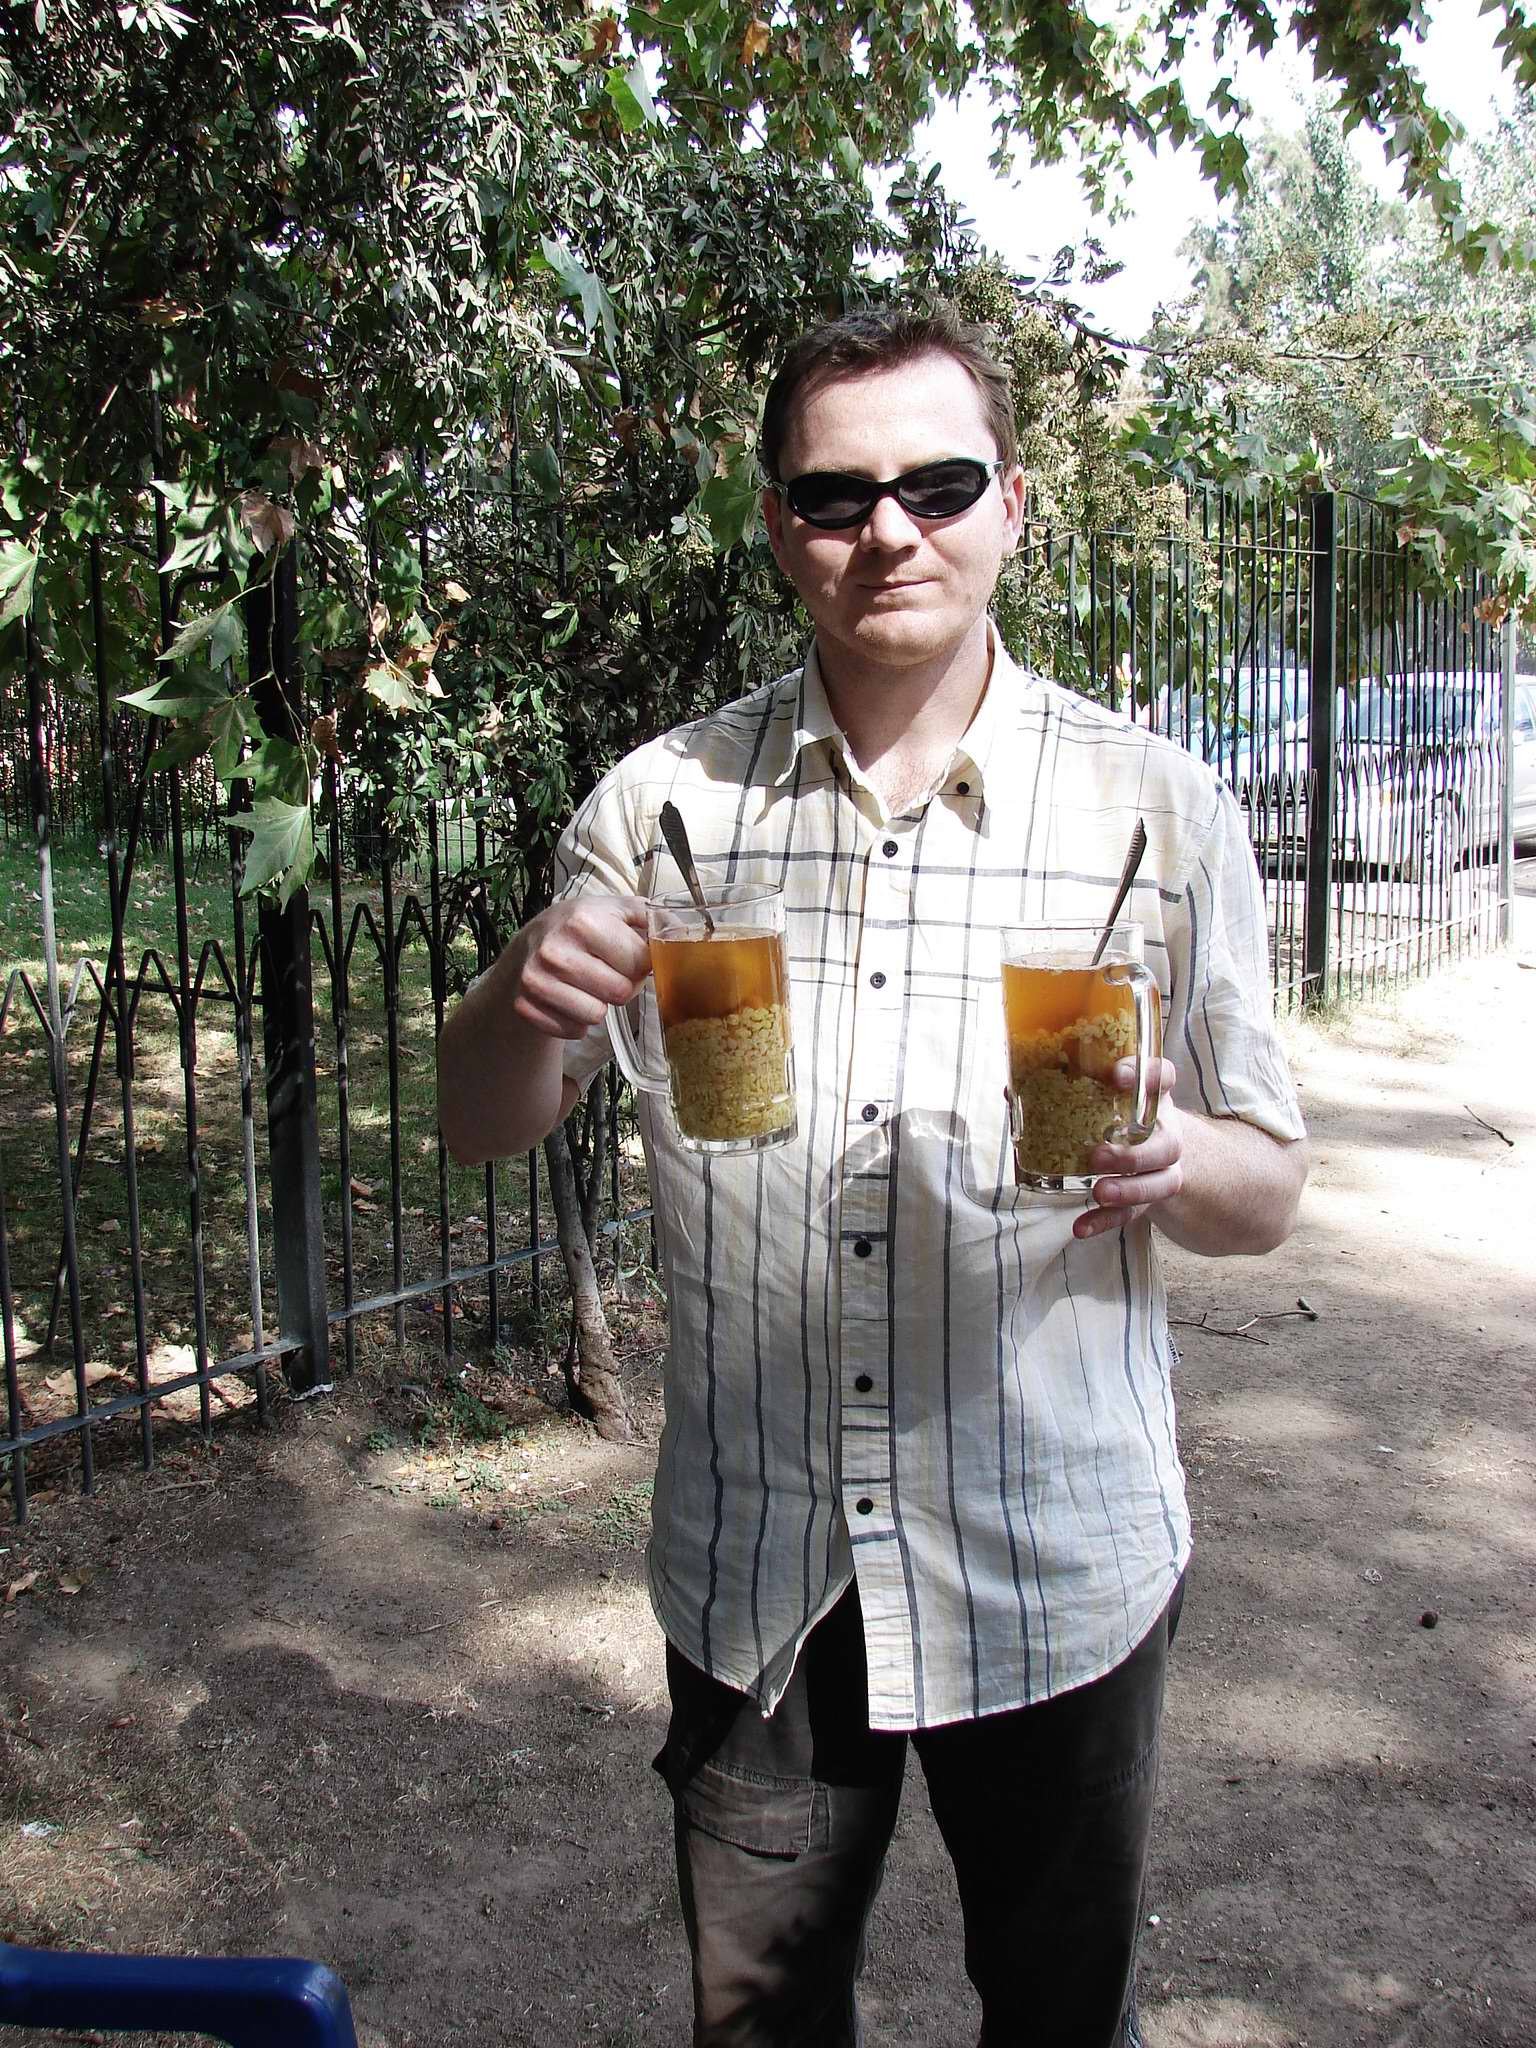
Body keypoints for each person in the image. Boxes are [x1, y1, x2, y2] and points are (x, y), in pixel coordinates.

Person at [437, 306, 1307, 2048]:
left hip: (1050, 1559)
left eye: (940, 484)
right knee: (764, 2026)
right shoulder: (668, 810)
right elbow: (481, 1120)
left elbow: (1267, 1188)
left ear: (1013, 505)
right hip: (767, 1566)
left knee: (1059, 2016)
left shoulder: (1152, 811)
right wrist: (516, 993)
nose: (889, 530)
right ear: (779, 525)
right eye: (836, 495)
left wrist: (1176, 1153)